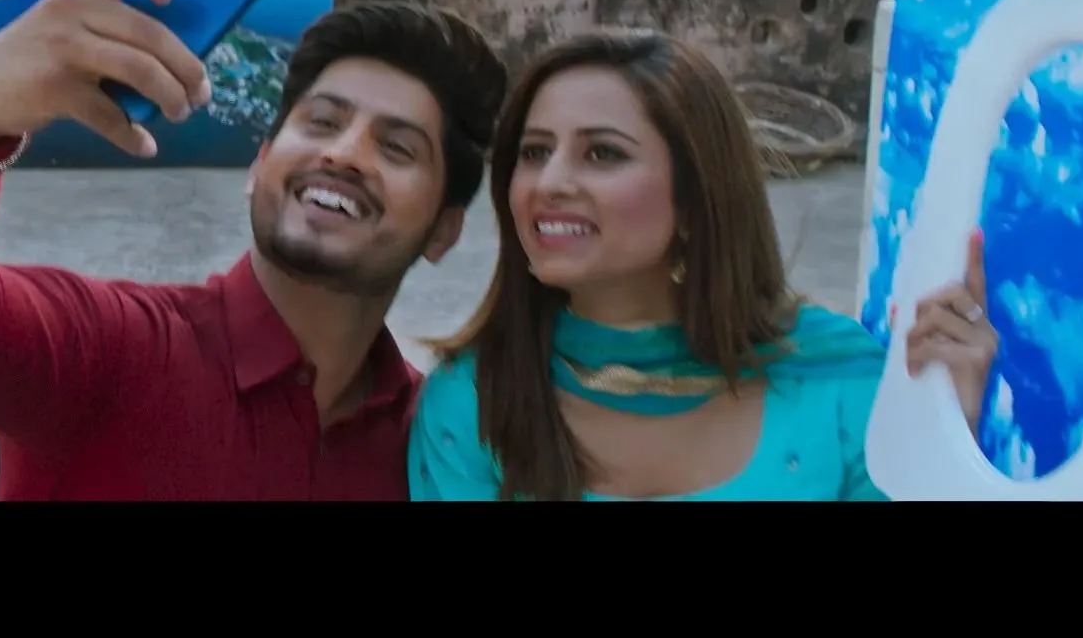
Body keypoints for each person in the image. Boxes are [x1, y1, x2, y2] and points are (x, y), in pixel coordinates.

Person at [0, 0, 508, 500]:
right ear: (260, 164)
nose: (345, 154)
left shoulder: (441, 456)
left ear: (446, 229)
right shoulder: (106, 354)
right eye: (322, 122)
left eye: (397, 147)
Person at [408, 29, 1000, 502]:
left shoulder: (838, 380)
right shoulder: (473, 404)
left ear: (697, 200)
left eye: (602, 153)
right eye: (535, 152)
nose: (550, 182)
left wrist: (946, 448)